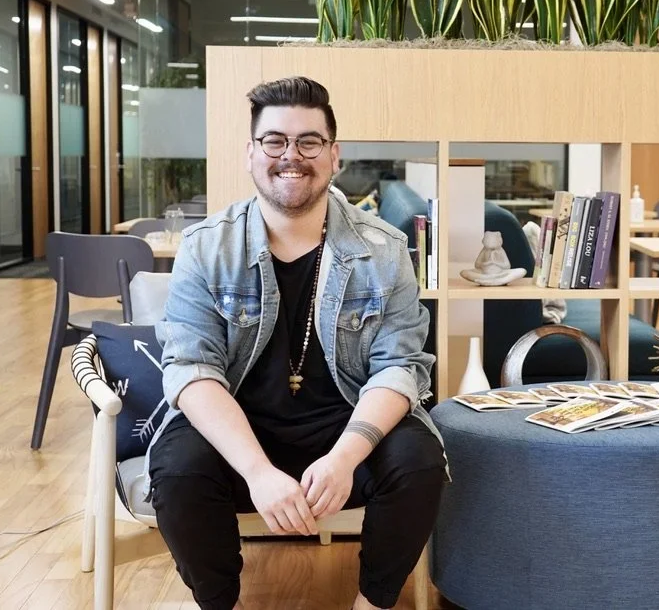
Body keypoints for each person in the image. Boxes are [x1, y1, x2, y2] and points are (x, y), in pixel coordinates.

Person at [146, 75, 446, 610]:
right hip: (241, 435)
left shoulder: (385, 249)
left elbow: (400, 368)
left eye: (309, 142)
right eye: (275, 141)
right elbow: (190, 369)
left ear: (334, 156)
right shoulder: (205, 248)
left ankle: (372, 602)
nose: (292, 156)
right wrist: (258, 472)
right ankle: (220, 603)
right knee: (178, 468)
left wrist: (344, 458)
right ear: (250, 153)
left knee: (420, 459)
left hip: (344, 433)